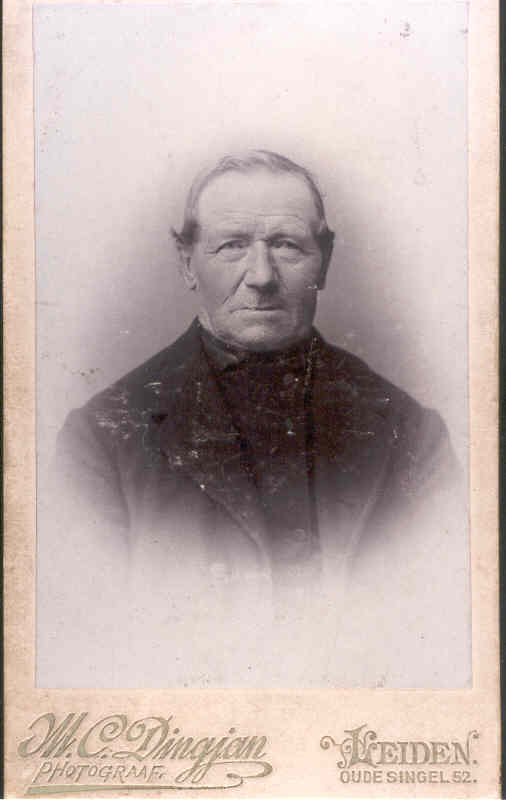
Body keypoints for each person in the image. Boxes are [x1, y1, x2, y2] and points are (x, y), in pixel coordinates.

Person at [39, 150, 469, 688]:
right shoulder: (102, 438)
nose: (261, 276)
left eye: (287, 245)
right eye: (232, 246)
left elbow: (439, 643)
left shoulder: (411, 433)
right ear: (187, 262)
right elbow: (86, 653)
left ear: (325, 260)